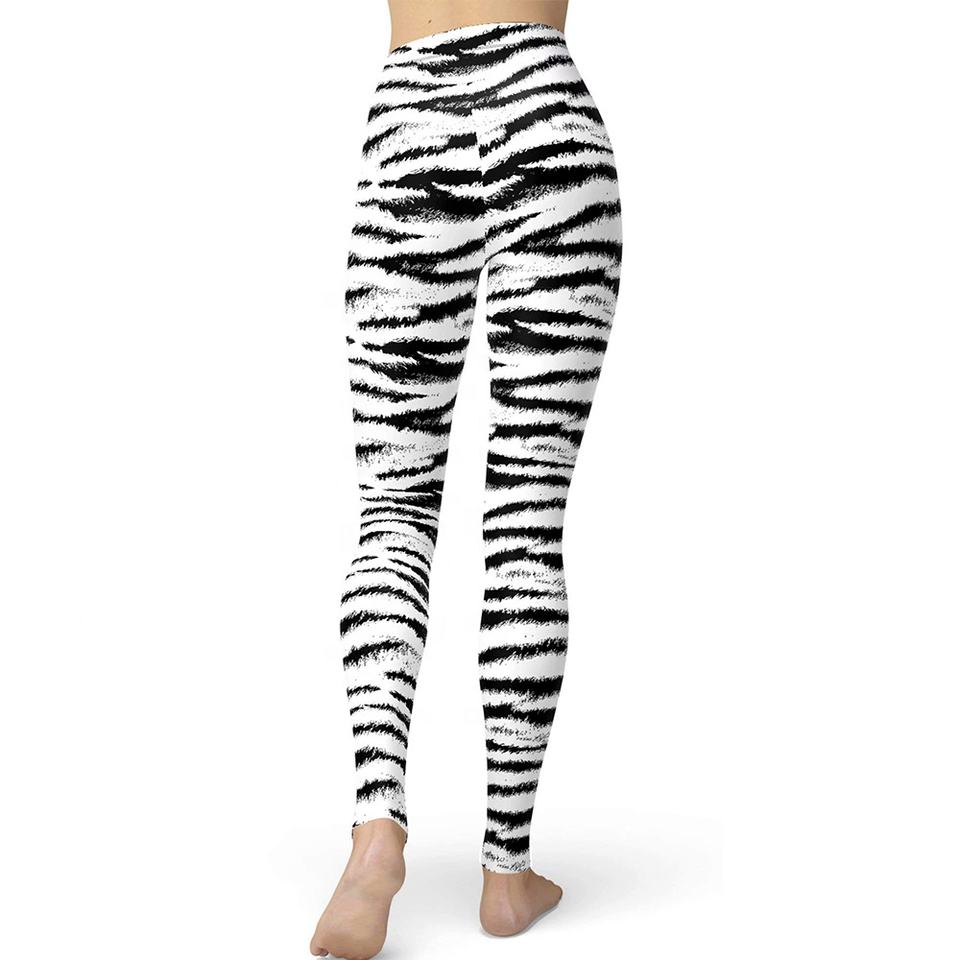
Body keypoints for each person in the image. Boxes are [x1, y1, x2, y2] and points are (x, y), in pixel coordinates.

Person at [311, 2, 621, 956]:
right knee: (526, 519)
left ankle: (376, 831)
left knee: (392, 512)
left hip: (412, 119)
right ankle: (506, 873)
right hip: (546, 110)